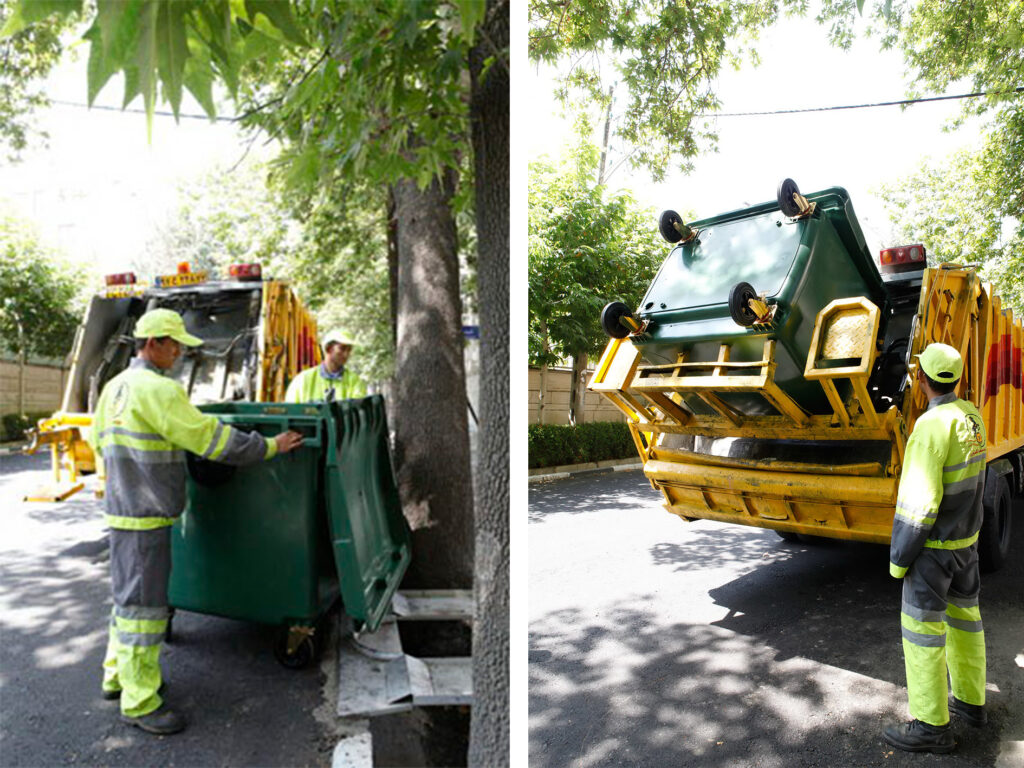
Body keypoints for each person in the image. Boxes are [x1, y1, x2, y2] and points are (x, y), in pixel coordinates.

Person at [90, 308, 304, 735]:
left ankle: (117, 677)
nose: (181, 354)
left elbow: (99, 442)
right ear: (152, 344)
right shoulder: (160, 391)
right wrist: (270, 446)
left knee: (128, 604)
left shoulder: (114, 388)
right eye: (175, 346)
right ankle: (140, 700)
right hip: (146, 518)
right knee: (145, 613)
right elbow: (212, 440)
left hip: (121, 512)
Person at [884, 342, 988, 754]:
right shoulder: (972, 418)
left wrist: (899, 560)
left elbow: (919, 504)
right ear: (958, 379)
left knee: (923, 635)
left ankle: (931, 725)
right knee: (966, 623)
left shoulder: (929, 427)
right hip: (966, 544)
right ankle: (971, 702)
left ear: (921, 380)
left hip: (934, 551)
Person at [284, 329, 366, 402]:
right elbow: (291, 412)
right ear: (328, 348)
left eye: (349, 350)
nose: (346, 354)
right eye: (342, 348)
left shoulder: (354, 382)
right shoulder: (302, 380)